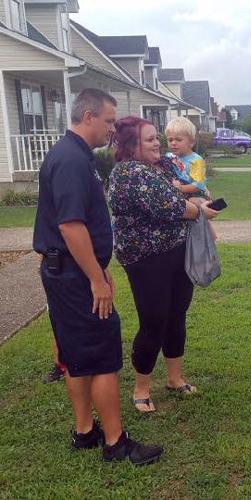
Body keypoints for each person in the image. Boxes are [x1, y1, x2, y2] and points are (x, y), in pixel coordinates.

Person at [33, 88, 163, 464]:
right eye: (108, 121)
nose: (111, 129)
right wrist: (96, 278)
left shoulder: (70, 154)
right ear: (87, 116)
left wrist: (101, 265)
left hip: (66, 272)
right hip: (75, 277)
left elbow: (80, 224)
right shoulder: (72, 160)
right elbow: (71, 225)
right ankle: (115, 442)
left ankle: (84, 432)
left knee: (76, 356)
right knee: (103, 357)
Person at [108, 116, 219, 413]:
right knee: (154, 319)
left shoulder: (164, 165)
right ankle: (141, 389)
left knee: (176, 313)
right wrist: (198, 209)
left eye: (157, 137)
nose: (157, 143)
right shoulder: (128, 172)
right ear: (131, 146)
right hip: (146, 258)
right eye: (149, 139)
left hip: (176, 250)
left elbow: (189, 188)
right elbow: (168, 205)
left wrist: (201, 198)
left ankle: (174, 378)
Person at [164, 117, 217, 240]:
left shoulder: (195, 160)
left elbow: (197, 185)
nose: (173, 143)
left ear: (191, 143)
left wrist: (180, 188)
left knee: (194, 203)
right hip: (178, 193)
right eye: (170, 139)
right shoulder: (168, 157)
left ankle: (210, 233)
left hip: (195, 193)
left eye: (178, 140)